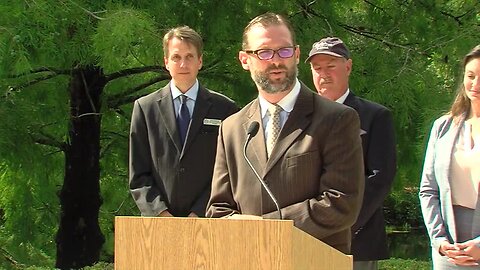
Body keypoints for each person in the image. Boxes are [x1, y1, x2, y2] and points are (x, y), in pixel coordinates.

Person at [206, 12, 364, 254]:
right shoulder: (232, 128)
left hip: (314, 259)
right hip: (246, 259)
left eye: (285, 51)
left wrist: (265, 228)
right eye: (264, 52)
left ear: (297, 54)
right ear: (244, 60)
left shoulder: (337, 119)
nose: (276, 61)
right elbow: (218, 211)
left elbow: (341, 203)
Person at [306, 37, 397, 270]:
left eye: (331, 66)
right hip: (305, 238)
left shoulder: (375, 116)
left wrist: (342, 222)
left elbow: (380, 178)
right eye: (317, 68)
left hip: (357, 240)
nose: (323, 74)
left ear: (348, 67)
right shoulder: (300, 117)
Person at [129, 26, 238, 217]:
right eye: (176, 57)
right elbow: (139, 175)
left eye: (189, 57)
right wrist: (160, 213)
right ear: (166, 62)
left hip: (209, 221)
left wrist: (199, 212)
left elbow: (229, 172)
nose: (183, 64)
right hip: (158, 226)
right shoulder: (145, 109)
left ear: (200, 61)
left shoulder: (225, 109)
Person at [419, 45, 480, 269]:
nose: (475, 85)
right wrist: (440, 240)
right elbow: (428, 189)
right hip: (448, 250)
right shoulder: (443, 127)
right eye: (471, 76)